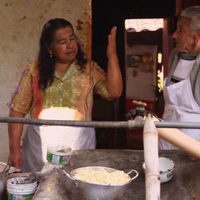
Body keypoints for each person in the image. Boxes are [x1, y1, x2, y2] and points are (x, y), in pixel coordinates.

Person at [8, 18, 123, 172]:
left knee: (75, 185)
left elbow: (114, 92)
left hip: (79, 142)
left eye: (72, 38)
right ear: (49, 48)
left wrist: (112, 56)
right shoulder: (35, 71)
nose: (70, 46)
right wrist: (14, 149)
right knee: (41, 188)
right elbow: (18, 110)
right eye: (62, 42)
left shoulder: (88, 69)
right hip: (40, 144)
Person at [159, 6, 200, 150]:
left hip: (193, 149)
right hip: (167, 143)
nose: (174, 35)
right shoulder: (175, 57)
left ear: (197, 38)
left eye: (180, 30)